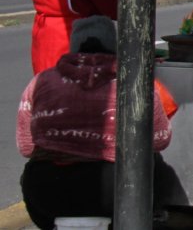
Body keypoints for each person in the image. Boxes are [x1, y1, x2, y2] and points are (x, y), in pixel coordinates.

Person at [17, 16, 173, 229]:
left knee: (31, 170)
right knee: (157, 165)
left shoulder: (41, 81)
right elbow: (160, 139)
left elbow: (26, 146)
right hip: (117, 191)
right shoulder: (135, 82)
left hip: (47, 192)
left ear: (73, 47)